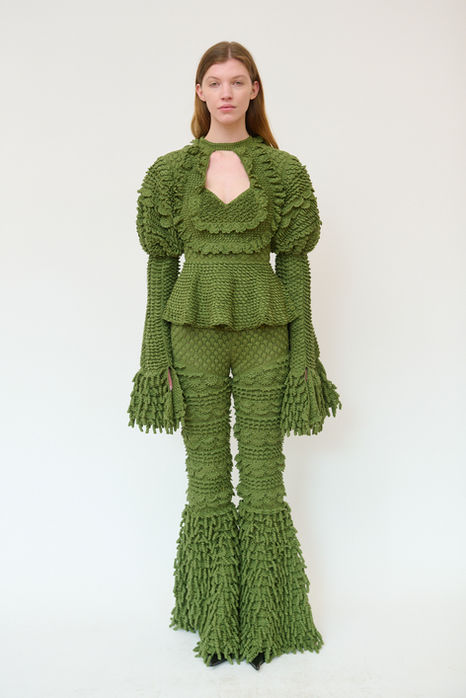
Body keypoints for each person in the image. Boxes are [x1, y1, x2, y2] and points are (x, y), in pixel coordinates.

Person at [127, 41, 342, 670]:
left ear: (255, 90)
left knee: (265, 479)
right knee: (206, 479)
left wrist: (304, 354)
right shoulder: (170, 173)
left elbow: (295, 266)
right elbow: (160, 270)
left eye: (237, 81)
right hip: (189, 333)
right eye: (215, 81)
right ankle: (213, 615)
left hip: (265, 335)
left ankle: (269, 620)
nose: (226, 91)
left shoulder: (284, 171)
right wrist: (154, 357)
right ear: (199, 91)